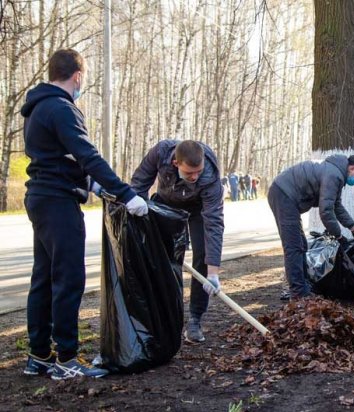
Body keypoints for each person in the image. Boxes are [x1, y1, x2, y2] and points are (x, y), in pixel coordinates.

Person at [21, 49, 148, 380]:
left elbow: (56, 159)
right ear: (77, 76)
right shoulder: (62, 109)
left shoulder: (36, 109)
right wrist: (126, 193)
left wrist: (88, 183)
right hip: (58, 204)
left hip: (40, 197)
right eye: (83, 79)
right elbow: (87, 155)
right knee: (68, 279)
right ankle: (66, 358)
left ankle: (39, 355)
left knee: (44, 277)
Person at [131, 139, 225, 343]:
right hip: (166, 203)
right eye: (190, 173)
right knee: (161, 256)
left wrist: (213, 272)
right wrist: (137, 206)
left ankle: (195, 320)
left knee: (201, 256)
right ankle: (163, 315)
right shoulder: (160, 152)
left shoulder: (209, 177)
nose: (195, 177)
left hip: (198, 210)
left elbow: (214, 223)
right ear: (176, 163)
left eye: (198, 171)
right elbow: (140, 182)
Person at [268, 154, 354, 300]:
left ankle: (303, 285)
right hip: (283, 194)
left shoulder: (337, 173)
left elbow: (336, 206)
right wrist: (339, 236)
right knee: (293, 246)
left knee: (301, 244)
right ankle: (298, 293)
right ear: (353, 168)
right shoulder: (334, 175)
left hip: (287, 196)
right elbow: (326, 211)